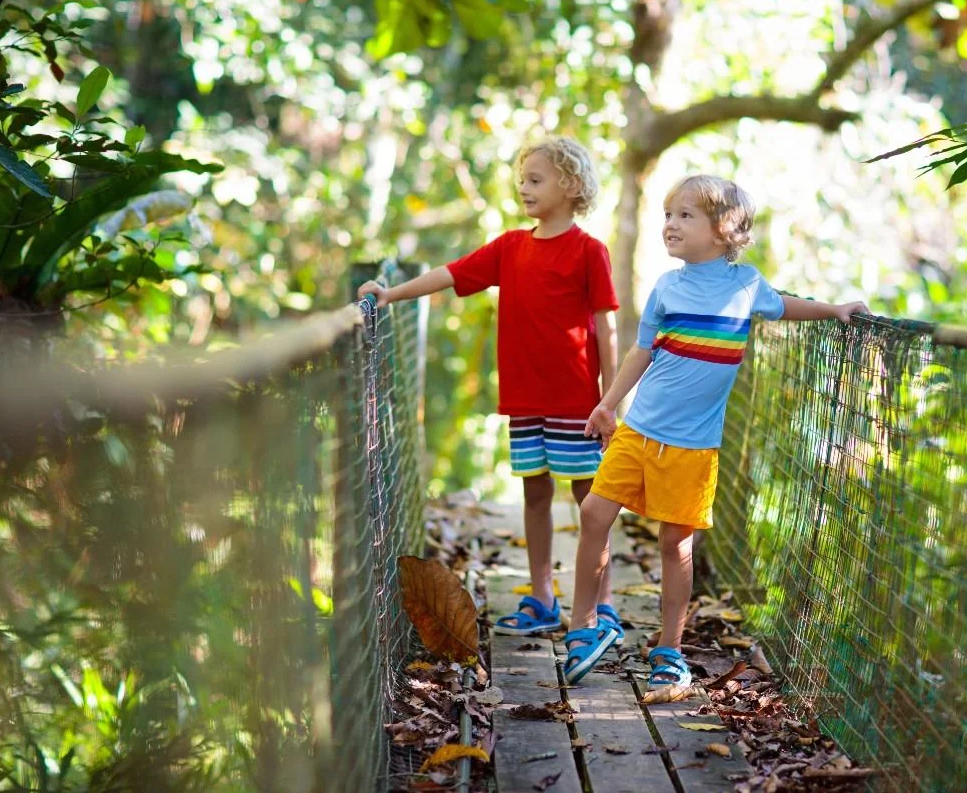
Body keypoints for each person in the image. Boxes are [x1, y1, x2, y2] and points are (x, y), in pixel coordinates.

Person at [561, 174, 869, 690]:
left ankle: (669, 649)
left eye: (685, 215)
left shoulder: (746, 286)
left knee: (675, 545)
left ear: (725, 229)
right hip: (639, 430)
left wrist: (833, 310)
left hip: (692, 447)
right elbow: (642, 351)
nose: (670, 225)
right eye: (667, 214)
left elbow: (784, 305)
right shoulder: (667, 287)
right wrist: (607, 405)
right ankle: (583, 628)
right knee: (594, 513)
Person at [359, 137, 626, 640]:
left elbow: (606, 327)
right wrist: (390, 294)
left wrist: (610, 401)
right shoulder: (510, 247)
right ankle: (543, 597)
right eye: (522, 180)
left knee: (591, 501)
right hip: (525, 401)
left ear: (569, 186)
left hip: (579, 405)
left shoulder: (590, 251)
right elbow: (452, 273)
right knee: (535, 493)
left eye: (535, 179)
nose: (524, 188)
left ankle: (601, 603)